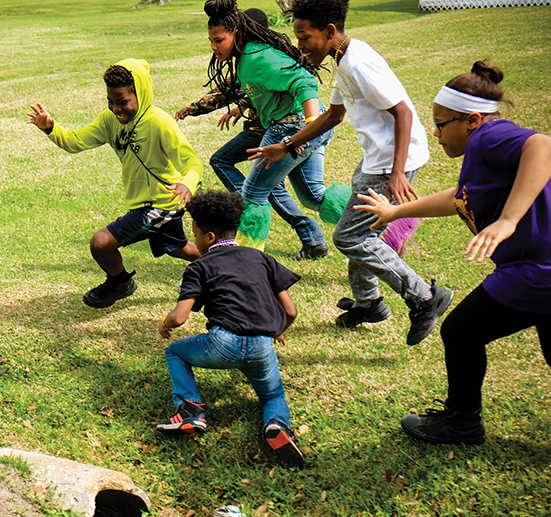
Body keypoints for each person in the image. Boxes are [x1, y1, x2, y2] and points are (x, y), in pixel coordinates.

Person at [355, 61, 551, 444]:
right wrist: (396, 211)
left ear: (472, 120)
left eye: (441, 124)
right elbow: (460, 199)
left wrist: (508, 220)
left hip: (536, 270)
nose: (436, 133)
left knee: (461, 331)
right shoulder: (485, 149)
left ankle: (462, 422)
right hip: (540, 268)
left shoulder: (489, 136)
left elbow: (542, 146)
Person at [249, 0, 451, 346]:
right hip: (378, 158)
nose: (299, 45)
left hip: (392, 161)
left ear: (329, 32)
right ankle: (368, 303)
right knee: (361, 230)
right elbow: (333, 116)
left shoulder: (357, 63)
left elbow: (403, 112)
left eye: (304, 37)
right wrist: (287, 145)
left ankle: (424, 297)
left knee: (350, 238)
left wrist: (398, 172)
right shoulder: (342, 59)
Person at [28, 59, 204, 308]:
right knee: (178, 249)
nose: (116, 108)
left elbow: (192, 162)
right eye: (110, 101)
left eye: (123, 101)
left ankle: (120, 282)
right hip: (148, 204)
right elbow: (75, 142)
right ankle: (228, 264)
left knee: (101, 243)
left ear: (140, 94)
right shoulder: (109, 121)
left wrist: (187, 184)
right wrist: (51, 128)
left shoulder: (159, 122)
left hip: (161, 203)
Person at [156, 190, 305, 468]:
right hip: (262, 344)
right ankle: (277, 426)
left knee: (175, 352)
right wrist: (276, 330)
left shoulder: (200, 266)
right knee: (273, 395)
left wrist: (164, 323)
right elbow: (291, 311)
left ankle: (191, 410)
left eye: (195, 235)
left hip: (223, 344)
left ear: (209, 237)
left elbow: (180, 318)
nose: (194, 241)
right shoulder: (261, 258)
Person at [191, 0, 344, 258]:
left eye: (218, 40)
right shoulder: (246, 56)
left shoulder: (256, 57)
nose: (214, 47)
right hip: (304, 125)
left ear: (237, 33)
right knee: (313, 196)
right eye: (211, 41)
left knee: (252, 194)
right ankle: (383, 220)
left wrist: (309, 127)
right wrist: (241, 107)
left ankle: (246, 264)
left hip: (292, 126)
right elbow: (265, 88)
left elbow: (304, 81)